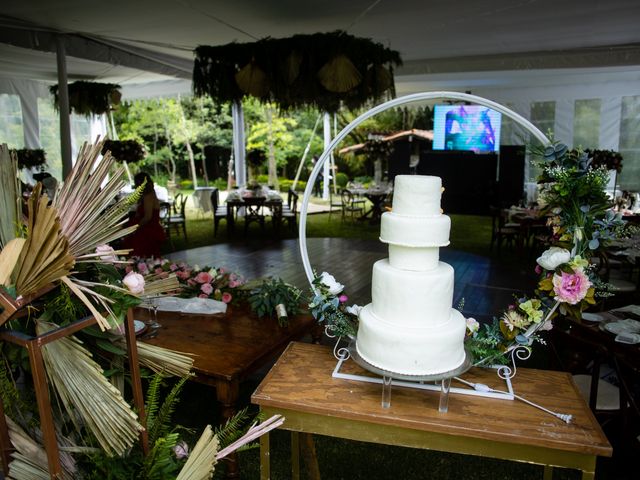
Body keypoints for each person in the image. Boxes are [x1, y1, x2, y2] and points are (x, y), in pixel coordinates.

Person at [124, 172, 166, 257]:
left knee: (141, 255)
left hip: (148, 231)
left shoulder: (148, 196)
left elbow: (148, 217)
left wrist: (135, 227)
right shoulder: (146, 195)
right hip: (146, 229)